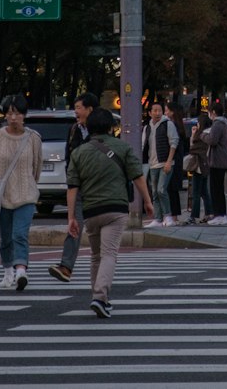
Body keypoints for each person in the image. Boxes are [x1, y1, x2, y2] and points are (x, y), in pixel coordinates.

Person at [65, 106, 153, 317]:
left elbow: (72, 187)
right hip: (115, 208)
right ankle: (99, 297)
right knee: (109, 254)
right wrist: (148, 202)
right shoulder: (122, 148)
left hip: (90, 211)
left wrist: (71, 217)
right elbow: (137, 176)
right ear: (111, 127)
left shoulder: (78, 152)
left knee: (96, 256)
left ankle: (99, 297)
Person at [0, 93, 42, 291]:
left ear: (24, 115)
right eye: (9, 113)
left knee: (20, 233)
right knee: (5, 236)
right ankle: (8, 270)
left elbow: (37, 167)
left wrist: (29, 185)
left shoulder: (33, 138)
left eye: (17, 113)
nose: (12, 117)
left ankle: (21, 270)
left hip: (26, 194)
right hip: (2, 195)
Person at [48, 91, 97, 281]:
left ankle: (103, 264)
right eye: (75, 108)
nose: (75, 111)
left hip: (96, 187)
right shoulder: (73, 130)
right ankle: (66, 266)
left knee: (98, 230)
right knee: (74, 225)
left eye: (78, 107)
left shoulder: (100, 129)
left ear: (89, 109)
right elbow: (69, 156)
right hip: (78, 185)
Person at [140, 100, 179, 228]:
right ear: (150, 113)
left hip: (165, 163)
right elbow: (143, 145)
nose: (157, 113)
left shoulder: (168, 124)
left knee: (161, 189)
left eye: (160, 110)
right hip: (152, 164)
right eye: (155, 111)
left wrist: (169, 161)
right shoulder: (147, 127)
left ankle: (168, 216)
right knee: (154, 192)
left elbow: (174, 143)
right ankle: (157, 218)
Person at [205, 100, 227, 225]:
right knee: (219, 189)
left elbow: (212, 140)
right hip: (222, 159)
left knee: (215, 189)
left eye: (209, 112)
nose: (209, 115)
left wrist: (202, 135)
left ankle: (219, 215)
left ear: (214, 112)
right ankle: (221, 215)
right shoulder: (225, 124)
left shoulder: (217, 124)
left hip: (217, 160)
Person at [188, 112, 213, 222]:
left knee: (196, 192)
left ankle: (194, 216)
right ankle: (208, 213)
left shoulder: (201, 135)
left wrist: (193, 135)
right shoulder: (209, 133)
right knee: (204, 192)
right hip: (205, 165)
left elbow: (192, 149)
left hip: (199, 166)